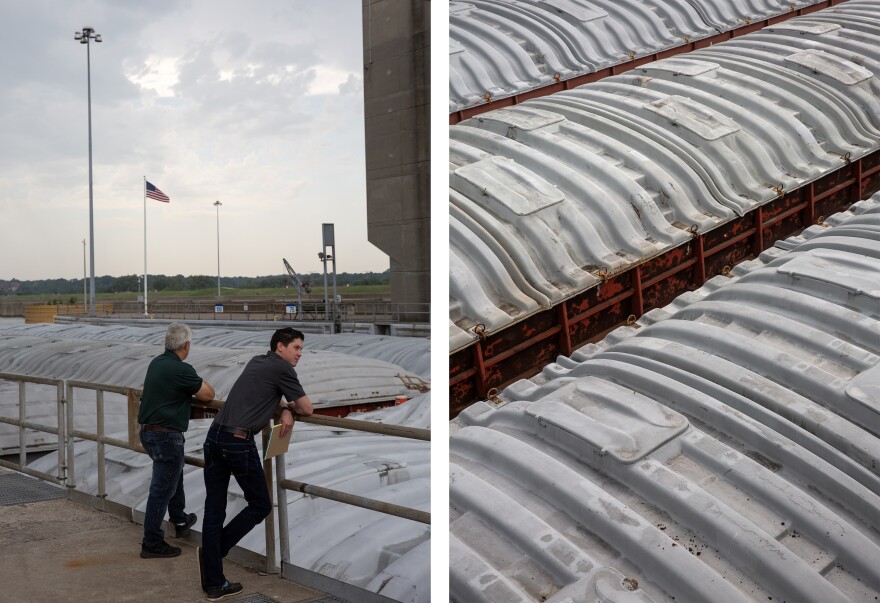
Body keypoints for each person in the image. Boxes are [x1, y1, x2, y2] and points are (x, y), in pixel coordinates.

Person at [199, 327, 314, 600]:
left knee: (214, 509)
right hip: (238, 442)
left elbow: (264, 397)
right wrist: (290, 408)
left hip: (214, 436)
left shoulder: (257, 362)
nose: (299, 354)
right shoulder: (283, 369)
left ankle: (214, 582)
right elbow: (307, 408)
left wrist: (283, 408)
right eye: (296, 347)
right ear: (280, 347)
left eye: (301, 348)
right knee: (261, 504)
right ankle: (214, 553)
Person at [138, 323, 215, 559]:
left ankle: (179, 519)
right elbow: (208, 394)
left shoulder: (157, 363)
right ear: (187, 345)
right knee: (161, 490)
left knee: (174, 475)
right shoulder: (181, 369)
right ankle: (151, 543)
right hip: (166, 437)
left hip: (149, 433)